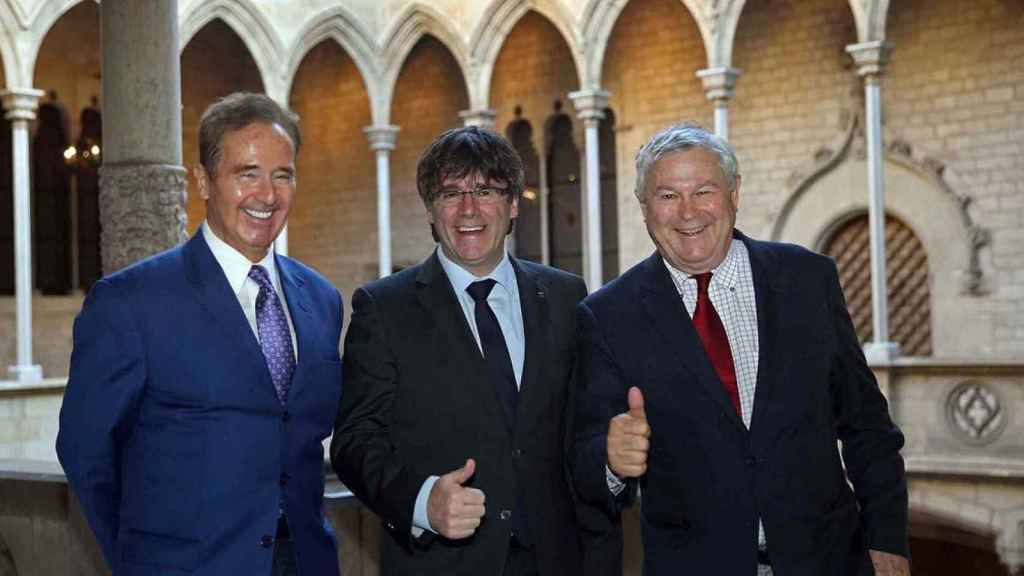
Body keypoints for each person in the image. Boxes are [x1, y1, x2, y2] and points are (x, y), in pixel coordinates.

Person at [571, 123, 910, 575]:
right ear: (644, 208)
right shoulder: (608, 315)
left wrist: (888, 541)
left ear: (734, 194)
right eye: (668, 195)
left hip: (829, 561)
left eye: (704, 191)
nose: (688, 213)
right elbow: (582, 458)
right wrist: (610, 460)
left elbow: (868, 427)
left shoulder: (807, 281)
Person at [57, 92, 343, 576]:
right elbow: (85, 452)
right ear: (204, 181)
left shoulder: (321, 300)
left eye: (283, 175)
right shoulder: (131, 302)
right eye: (247, 173)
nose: (267, 195)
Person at [332, 126, 588, 575]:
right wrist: (421, 500)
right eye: (450, 193)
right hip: (442, 564)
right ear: (431, 211)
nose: (468, 209)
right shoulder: (383, 308)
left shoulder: (566, 298)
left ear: (512, 205)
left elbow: (579, 430)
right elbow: (355, 442)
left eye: (485, 190)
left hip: (557, 560)